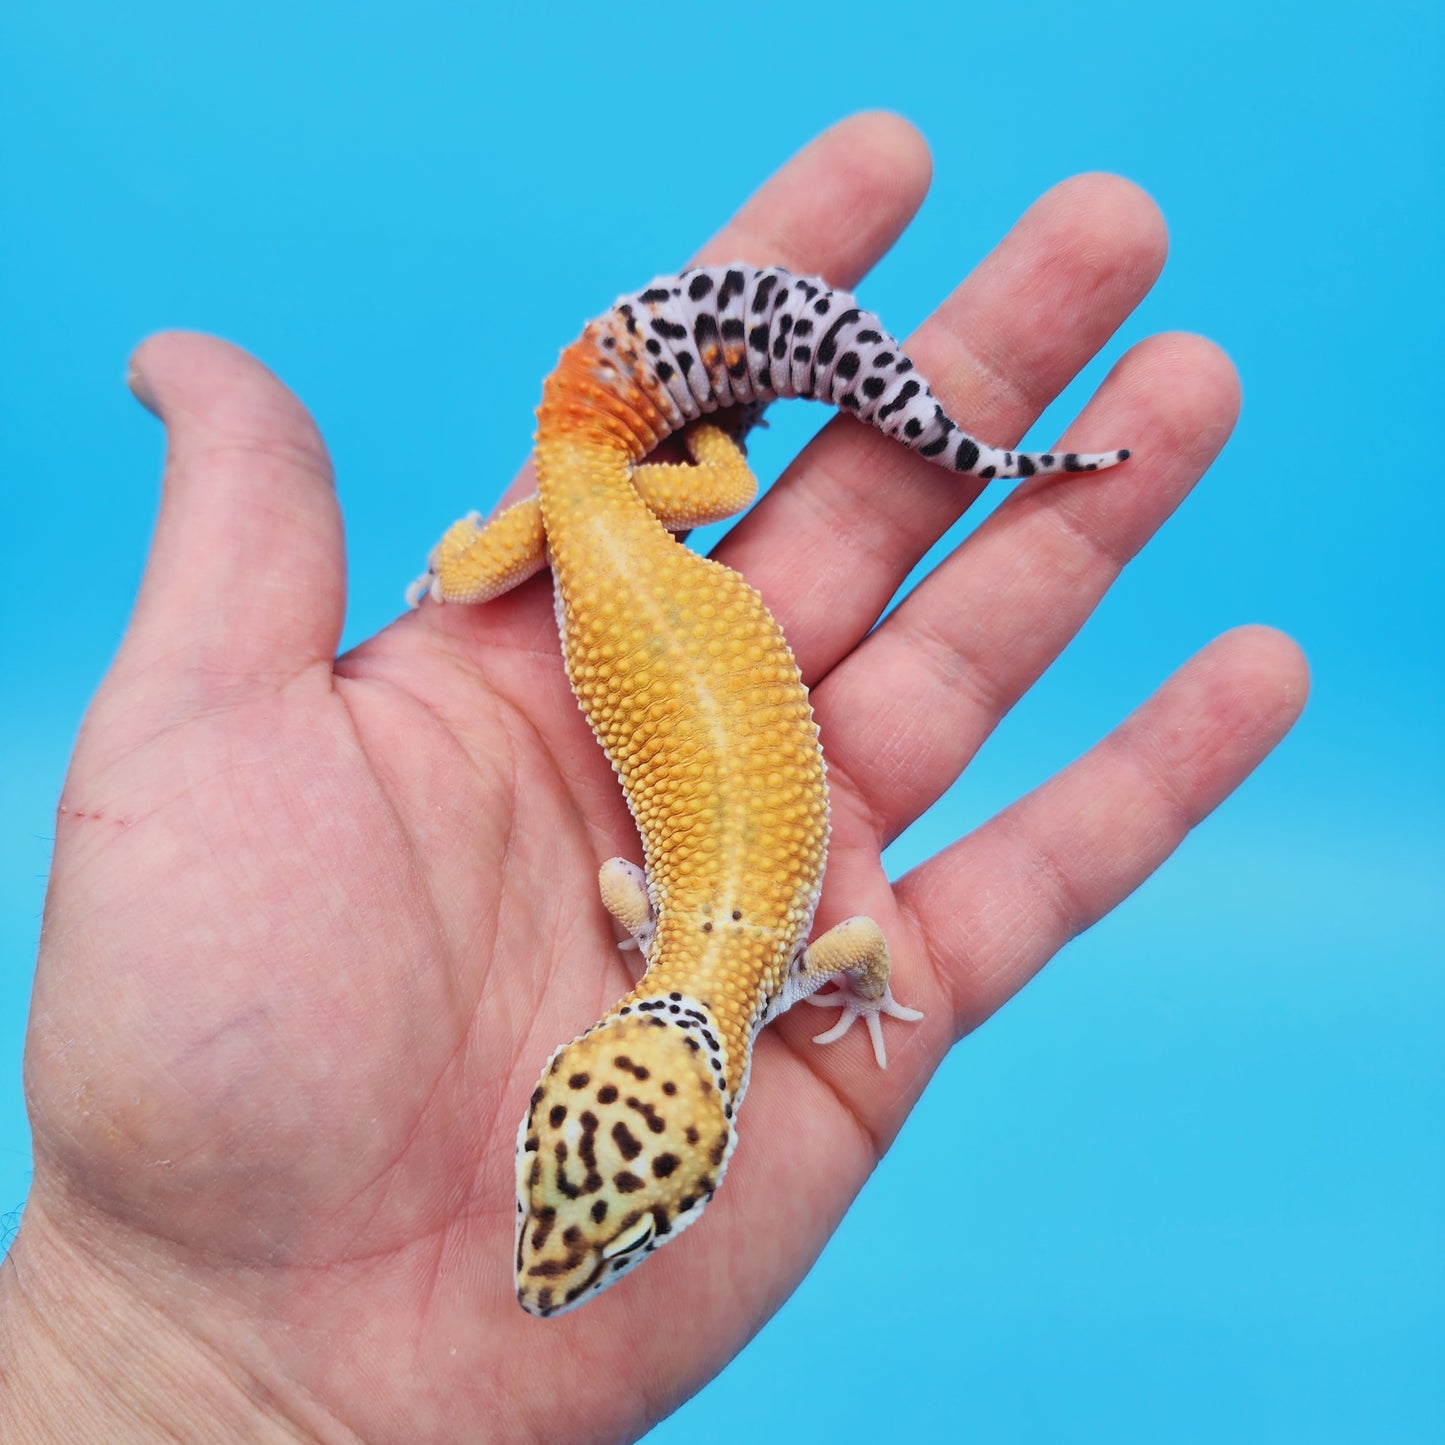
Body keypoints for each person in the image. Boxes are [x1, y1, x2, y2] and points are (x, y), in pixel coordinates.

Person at [0, 113, 1306, 1442]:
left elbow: (855, 942)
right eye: (617, 1228)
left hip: (606, 512)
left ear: (597, 1062)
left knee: (504, 555)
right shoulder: (652, 930)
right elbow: (626, 885)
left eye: (579, 1213)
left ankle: (670, 454)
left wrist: (856, 987)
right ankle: (669, 452)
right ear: (699, 1135)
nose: (548, 1263)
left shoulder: (796, 960)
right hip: (619, 520)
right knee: (548, 532)